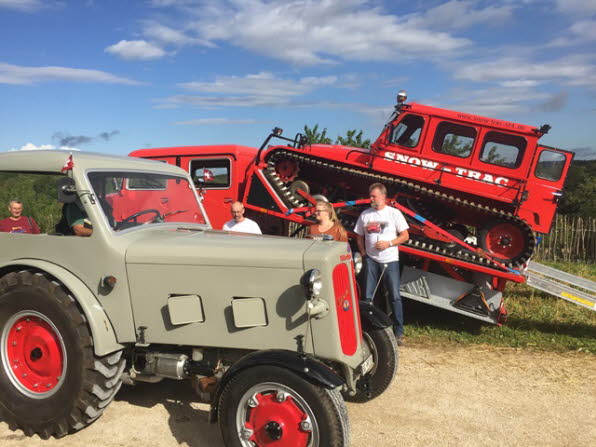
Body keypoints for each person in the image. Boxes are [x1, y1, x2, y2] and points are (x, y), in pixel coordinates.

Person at [354, 183, 409, 345]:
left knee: (394, 295)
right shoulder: (365, 214)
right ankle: (365, 329)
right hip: (371, 259)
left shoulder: (394, 213)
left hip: (390, 260)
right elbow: (359, 236)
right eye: (370, 196)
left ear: (383, 197)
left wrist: (388, 243)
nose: (371, 199)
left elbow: (405, 236)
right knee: (367, 296)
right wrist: (363, 253)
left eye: (374, 196)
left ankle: (398, 332)